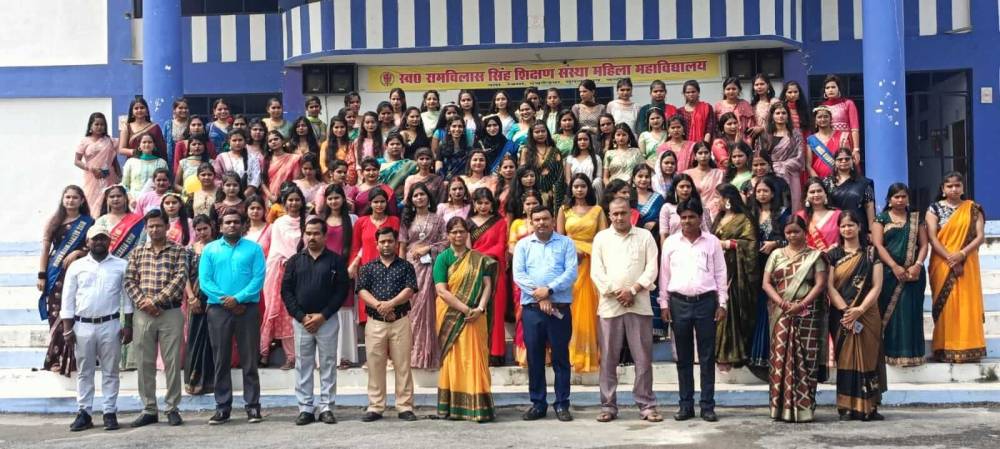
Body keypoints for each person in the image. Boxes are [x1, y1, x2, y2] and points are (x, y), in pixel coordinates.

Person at [590, 198, 662, 423]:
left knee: (643, 358)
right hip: (610, 306)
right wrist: (617, 292)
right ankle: (608, 406)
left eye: (623, 213)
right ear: (609, 215)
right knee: (608, 358)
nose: (619, 217)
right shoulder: (601, 238)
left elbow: (652, 268)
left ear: (631, 213)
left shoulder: (645, 236)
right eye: (615, 214)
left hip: (639, 304)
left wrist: (633, 290)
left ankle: (647, 405)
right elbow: (596, 271)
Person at [658, 198, 727, 422]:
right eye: (683, 217)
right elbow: (664, 275)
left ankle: (707, 406)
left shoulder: (712, 242)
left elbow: (720, 273)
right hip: (679, 303)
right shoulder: (670, 243)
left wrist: (722, 303)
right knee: (683, 357)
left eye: (691, 217)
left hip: (706, 302)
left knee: (706, 356)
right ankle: (685, 405)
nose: (687, 221)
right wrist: (664, 304)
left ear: (700, 218)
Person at [199, 208, 267, 425]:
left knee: (249, 359)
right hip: (218, 310)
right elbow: (205, 281)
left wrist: (238, 299)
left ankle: (253, 406)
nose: (232, 225)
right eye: (227, 222)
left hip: (247, 309)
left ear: (242, 225)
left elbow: (258, 278)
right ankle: (222, 407)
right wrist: (226, 301)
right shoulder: (210, 250)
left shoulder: (254, 249)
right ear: (220, 226)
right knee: (221, 360)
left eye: (236, 222)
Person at [62, 225, 132, 432]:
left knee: (111, 371)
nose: (99, 242)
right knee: (85, 372)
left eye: (103, 238)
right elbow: (68, 298)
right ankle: (84, 412)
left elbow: (127, 298)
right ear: (88, 242)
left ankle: (109, 412)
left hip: (110, 324)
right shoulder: (77, 266)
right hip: (82, 325)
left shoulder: (121, 265)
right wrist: (67, 329)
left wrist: (128, 325)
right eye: (95, 239)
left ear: (109, 241)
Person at [513, 206, 578, 422]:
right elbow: (519, 275)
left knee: (561, 358)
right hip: (533, 310)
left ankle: (562, 404)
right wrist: (540, 296)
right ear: (531, 222)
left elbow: (571, 273)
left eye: (545, 218)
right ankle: (538, 403)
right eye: (537, 219)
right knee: (535, 358)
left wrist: (549, 290)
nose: (541, 222)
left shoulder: (566, 243)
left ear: (552, 220)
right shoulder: (523, 245)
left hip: (559, 308)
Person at [124, 209, 188, 427]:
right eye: (150, 226)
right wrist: (145, 303)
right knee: (144, 362)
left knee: (172, 362)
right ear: (146, 228)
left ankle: (172, 408)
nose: (155, 229)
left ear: (166, 226)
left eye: (159, 225)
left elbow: (180, 279)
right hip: (143, 314)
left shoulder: (178, 251)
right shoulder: (137, 252)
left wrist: (156, 301)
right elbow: (129, 280)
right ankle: (149, 408)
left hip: (170, 312)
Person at [282, 218, 349, 425]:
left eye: (316, 233)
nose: (312, 237)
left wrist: (323, 315)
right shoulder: (294, 261)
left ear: (325, 236)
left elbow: (341, 291)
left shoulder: (336, 261)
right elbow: (286, 291)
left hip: (326, 320)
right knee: (303, 364)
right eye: (308, 233)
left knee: (328, 363)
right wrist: (301, 316)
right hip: (302, 321)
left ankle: (327, 407)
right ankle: (305, 408)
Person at [762, 216, 828, 423]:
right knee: (781, 357)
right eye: (788, 232)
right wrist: (782, 303)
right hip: (781, 312)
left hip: (807, 313)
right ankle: (780, 408)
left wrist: (802, 304)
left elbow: (820, 284)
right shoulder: (776, 254)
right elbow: (766, 283)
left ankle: (804, 408)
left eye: (796, 231)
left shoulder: (815, 256)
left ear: (804, 232)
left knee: (806, 359)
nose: (792, 235)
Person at [433, 217, 497, 422]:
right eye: (454, 232)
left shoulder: (479, 258)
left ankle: (478, 408)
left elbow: (487, 285)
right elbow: (441, 291)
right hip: (451, 315)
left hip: (476, 315)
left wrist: (479, 308)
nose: (458, 235)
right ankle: (454, 407)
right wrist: (466, 309)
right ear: (448, 235)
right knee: (453, 358)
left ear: (467, 234)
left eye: (461, 231)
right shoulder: (442, 258)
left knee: (475, 357)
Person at [827, 210, 886, 421]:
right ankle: (846, 407)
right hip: (842, 315)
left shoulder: (871, 253)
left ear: (859, 227)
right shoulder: (833, 255)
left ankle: (869, 407)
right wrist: (846, 311)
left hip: (868, 313)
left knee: (869, 359)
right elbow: (829, 287)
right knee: (845, 359)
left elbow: (877, 286)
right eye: (843, 226)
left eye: (851, 225)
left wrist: (859, 310)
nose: (847, 229)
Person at [356, 228, 418, 422]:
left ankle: (404, 406)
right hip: (375, 323)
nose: (386, 245)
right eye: (382, 242)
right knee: (375, 366)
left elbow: (410, 290)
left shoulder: (406, 266)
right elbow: (362, 290)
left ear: (396, 243)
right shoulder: (367, 268)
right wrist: (379, 306)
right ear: (377, 244)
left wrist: (391, 304)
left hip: (400, 321)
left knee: (403, 365)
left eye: (390, 241)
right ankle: (375, 406)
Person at [927, 172, 986, 363]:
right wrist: (950, 258)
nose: (954, 189)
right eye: (949, 186)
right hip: (942, 263)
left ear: (962, 187)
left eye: (957, 185)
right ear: (943, 189)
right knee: (947, 306)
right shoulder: (934, 209)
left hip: (967, 262)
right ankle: (945, 348)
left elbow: (980, 237)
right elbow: (932, 238)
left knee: (967, 303)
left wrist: (961, 255)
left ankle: (969, 347)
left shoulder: (973, 208)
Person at [872, 183, 928, 367]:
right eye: (896, 197)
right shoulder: (881, 219)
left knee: (911, 312)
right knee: (893, 315)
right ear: (889, 199)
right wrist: (894, 266)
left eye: (903, 196)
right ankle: (892, 354)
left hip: (914, 274)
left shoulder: (916, 218)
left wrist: (918, 265)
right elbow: (878, 246)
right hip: (889, 274)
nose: (900, 200)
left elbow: (924, 245)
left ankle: (913, 355)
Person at [39, 186, 94, 376]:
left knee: (74, 314)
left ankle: (73, 359)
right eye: (67, 197)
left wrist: (79, 252)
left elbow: (93, 246)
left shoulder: (88, 222)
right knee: (56, 314)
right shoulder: (54, 221)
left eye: (74, 197)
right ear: (63, 199)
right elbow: (45, 250)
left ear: (82, 200)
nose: (70, 200)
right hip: (55, 273)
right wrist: (42, 275)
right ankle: (56, 359)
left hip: (79, 273)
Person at [557, 174, 606, 374]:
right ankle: (570, 355)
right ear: (571, 188)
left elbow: (603, 238)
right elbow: (559, 239)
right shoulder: (564, 210)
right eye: (576, 186)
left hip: (591, 262)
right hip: (569, 263)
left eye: (583, 186)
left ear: (588, 189)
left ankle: (589, 355)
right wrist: (571, 253)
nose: (579, 190)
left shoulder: (597, 210)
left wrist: (587, 252)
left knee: (589, 309)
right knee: (571, 308)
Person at [399, 183, 447, 370]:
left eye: (422, 194)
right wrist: (400, 269)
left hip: (431, 267)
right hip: (411, 267)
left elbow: (446, 242)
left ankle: (427, 356)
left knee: (427, 310)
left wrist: (428, 248)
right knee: (411, 310)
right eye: (415, 195)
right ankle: (410, 355)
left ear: (428, 197)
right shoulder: (407, 220)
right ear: (411, 200)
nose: (419, 198)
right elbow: (402, 246)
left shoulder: (438, 219)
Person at [746, 176, 790, 379]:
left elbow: (791, 238)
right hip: (754, 266)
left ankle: (775, 355)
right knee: (756, 307)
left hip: (776, 266)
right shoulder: (751, 213)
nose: (761, 194)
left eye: (765, 191)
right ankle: (756, 355)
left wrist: (775, 244)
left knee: (771, 307)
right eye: (758, 191)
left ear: (773, 193)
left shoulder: (782, 214)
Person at [711, 184, 758, 371]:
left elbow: (751, 245)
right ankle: (716, 353)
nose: (716, 201)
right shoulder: (719, 219)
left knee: (729, 311)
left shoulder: (743, 219)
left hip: (735, 272)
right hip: (716, 271)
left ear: (728, 199)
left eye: (718, 197)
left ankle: (730, 355)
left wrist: (728, 244)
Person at [260, 185, 306, 370]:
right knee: (285, 315)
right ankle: (290, 357)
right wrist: (289, 262)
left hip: (305, 271)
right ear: (284, 203)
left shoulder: (309, 220)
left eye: (297, 199)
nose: (294, 203)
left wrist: (299, 263)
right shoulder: (278, 223)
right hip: (281, 271)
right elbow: (277, 248)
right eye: (290, 200)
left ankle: (305, 357)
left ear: (302, 201)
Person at [468, 188, 511, 365]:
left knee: (496, 312)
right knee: (475, 310)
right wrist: (475, 258)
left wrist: (480, 255)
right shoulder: (467, 223)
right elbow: (465, 249)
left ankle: (495, 353)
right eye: (480, 203)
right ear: (474, 204)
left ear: (492, 204)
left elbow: (501, 246)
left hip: (495, 271)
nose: (483, 206)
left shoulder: (500, 222)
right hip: (473, 271)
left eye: (487, 203)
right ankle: (476, 352)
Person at [184, 215, 215, 395]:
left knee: (212, 338)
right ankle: (193, 381)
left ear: (212, 227)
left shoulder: (219, 247)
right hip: (195, 298)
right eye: (199, 229)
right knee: (195, 337)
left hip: (214, 299)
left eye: (205, 228)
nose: (202, 232)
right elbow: (184, 275)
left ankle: (210, 382)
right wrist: (191, 298)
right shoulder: (190, 250)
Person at [757, 102, 805, 211]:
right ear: (772, 116)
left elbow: (800, 157)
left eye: (784, 113)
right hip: (770, 175)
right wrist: (772, 167)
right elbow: (761, 157)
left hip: (791, 174)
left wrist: (782, 166)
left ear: (788, 116)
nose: (781, 116)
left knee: (793, 205)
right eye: (777, 113)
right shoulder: (765, 135)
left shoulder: (795, 134)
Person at [823, 148, 875, 236]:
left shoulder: (864, 183)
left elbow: (869, 207)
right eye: (840, 159)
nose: (844, 161)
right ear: (835, 162)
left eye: (847, 159)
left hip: (858, 227)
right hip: (834, 227)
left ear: (852, 160)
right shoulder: (827, 182)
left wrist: (871, 231)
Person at [76, 113, 121, 213]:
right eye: (96, 124)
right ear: (90, 126)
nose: (99, 127)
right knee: (91, 202)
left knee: (108, 201)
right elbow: (77, 161)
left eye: (102, 124)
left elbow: (114, 160)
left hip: (109, 177)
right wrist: (91, 169)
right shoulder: (85, 141)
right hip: (92, 177)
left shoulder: (110, 141)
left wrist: (120, 177)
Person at [820, 75, 862, 163]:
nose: (830, 90)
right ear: (824, 91)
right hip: (828, 142)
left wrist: (856, 149)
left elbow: (854, 128)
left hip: (845, 142)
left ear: (839, 89)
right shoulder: (822, 107)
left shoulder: (848, 103)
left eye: (833, 87)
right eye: (827, 88)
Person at [678, 80, 716, 145]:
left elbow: (709, 128)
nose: (691, 94)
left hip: (704, 144)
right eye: (688, 92)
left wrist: (704, 145)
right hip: (685, 145)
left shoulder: (707, 107)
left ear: (698, 92)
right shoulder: (680, 111)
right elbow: (680, 131)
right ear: (684, 94)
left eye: (693, 92)